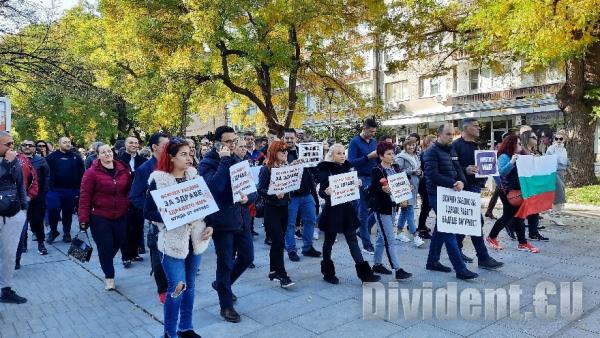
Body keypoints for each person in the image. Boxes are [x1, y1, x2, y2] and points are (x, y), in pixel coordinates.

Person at [145, 138, 213, 338]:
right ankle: (169, 333)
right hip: (172, 243)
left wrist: (210, 225)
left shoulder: (194, 175)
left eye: (190, 153)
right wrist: (171, 217)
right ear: (172, 158)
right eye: (183, 154)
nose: (189, 157)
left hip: (196, 239)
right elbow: (147, 211)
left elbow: (206, 204)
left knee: (190, 286)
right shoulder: (158, 179)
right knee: (177, 287)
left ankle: (186, 327)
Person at [198, 126, 254, 323]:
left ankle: (223, 285)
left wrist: (248, 199)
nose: (232, 145)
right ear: (217, 143)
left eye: (234, 141)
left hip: (241, 218)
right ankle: (226, 307)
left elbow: (251, 188)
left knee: (247, 257)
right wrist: (224, 161)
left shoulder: (239, 159)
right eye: (228, 142)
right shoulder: (207, 163)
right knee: (225, 262)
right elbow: (215, 187)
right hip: (221, 222)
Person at [317, 144, 381, 284]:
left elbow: (351, 184)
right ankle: (328, 272)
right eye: (338, 153)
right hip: (332, 210)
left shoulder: (347, 166)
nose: (342, 156)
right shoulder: (325, 168)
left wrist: (357, 183)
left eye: (343, 153)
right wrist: (326, 192)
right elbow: (322, 191)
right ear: (332, 155)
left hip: (346, 209)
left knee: (352, 240)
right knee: (329, 241)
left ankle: (365, 275)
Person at [423, 123, 478, 280]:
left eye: (452, 134)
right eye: (448, 134)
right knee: (449, 230)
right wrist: (452, 183)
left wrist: (461, 180)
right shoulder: (430, 152)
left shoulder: (451, 149)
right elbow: (432, 174)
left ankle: (432, 261)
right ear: (439, 134)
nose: (451, 137)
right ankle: (460, 268)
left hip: (451, 192)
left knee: (441, 229)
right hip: (436, 194)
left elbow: (458, 168)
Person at [451, 118, 504, 270]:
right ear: (465, 128)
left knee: (469, 222)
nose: (479, 128)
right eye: (475, 126)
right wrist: (465, 169)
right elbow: (450, 167)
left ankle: (457, 249)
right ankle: (483, 257)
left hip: (475, 186)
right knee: (475, 222)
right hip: (464, 188)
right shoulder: (456, 145)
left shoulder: (476, 145)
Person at [78, 144, 131, 290]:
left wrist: (128, 205)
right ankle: (109, 276)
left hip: (121, 214)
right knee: (105, 247)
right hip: (100, 216)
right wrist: (83, 218)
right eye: (103, 152)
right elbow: (84, 196)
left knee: (118, 242)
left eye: (109, 151)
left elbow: (129, 191)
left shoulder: (123, 169)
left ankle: (106, 260)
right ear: (97, 155)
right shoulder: (91, 173)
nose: (107, 154)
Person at [131, 132, 170, 303]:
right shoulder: (145, 169)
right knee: (158, 257)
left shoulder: (173, 164)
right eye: (166, 146)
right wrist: (152, 212)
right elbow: (135, 197)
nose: (170, 149)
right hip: (157, 222)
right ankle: (163, 291)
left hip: (176, 221)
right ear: (155, 147)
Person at [486, 135, 541, 253]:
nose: (520, 146)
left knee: (518, 217)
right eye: (518, 144)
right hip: (508, 191)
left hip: (518, 191)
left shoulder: (520, 155)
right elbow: (501, 172)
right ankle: (492, 237)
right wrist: (512, 162)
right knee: (509, 216)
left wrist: (532, 160)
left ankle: (522, 243)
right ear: (511, 144)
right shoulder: (505, 156)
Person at [368, 142, 413, 280]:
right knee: (390, 239)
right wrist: (382, 190)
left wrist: (407, 187)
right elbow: (372, 190)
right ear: (381, 156)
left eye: (393, 153)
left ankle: (377, 264)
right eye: (388, 154)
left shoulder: (396, 167)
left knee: (382, 237)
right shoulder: (377, 170)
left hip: (393, 206)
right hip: (382, 209)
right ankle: (397, 268)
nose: (392, 156)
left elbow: (402, 181)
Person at [257, 140, 295, 288]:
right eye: (281, 151)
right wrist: (274, 194)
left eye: (286, 151)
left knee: (278, 242)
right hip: (271, 209)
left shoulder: (287, 167)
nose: (285, 154)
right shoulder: (266, 169)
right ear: (274, 152)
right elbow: (260, 190)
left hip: (284, 208)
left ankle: (274, 271)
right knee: (278, 241)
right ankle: (282, 274)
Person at [282, 128, 321, 262]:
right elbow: (277, 171)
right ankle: (291, 249)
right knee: (290, 224)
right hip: (290, 196)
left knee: (311, 219)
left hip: (306, 193)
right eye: (287, 138)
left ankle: (307, 247)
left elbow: (314, 167)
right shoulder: (280, 152)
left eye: (291, 138)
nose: (289, 140)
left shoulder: (303, 151)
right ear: (283, 138)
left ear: (296, 138)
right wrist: (290, 165)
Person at [0, 131, 28, 304]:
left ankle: (6, 289)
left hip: (13, 213)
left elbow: (20, 185)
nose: (12, 147)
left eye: (12, 143)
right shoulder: (9, 161)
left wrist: (24, 207)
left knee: (9, 254)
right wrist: (6, 164)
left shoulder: (15, 161)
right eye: (7, 144)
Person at [45, 137, 85, 244]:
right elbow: (44, 172)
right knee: (53, 209)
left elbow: (83, 173)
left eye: (69, 142)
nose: (67, 144)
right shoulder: (51, 157)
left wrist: (80, 189)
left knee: (68, 212)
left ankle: (67, 232)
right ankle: (53, 231)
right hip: (54, 190)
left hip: (71, 190)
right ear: (59, 144)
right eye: (65, 142)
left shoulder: (76, 157)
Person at [347, 118, 378, 254]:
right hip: (361, 178)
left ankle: (362, 231)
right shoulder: (354, 142)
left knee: (378, 206)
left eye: (374, 132)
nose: (372, 134)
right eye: (370, 131)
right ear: (364, 128)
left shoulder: (374, 142)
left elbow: (376, 159)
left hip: (374, 177)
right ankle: (366, 243)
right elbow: (351, 162)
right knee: (363, 212)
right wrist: (368, 157)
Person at [117, 136, 147, 266]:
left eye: (136, 143)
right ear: (125, 144)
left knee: (138, 227)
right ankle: (126, 256)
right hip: (124, 198)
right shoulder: (118, 160)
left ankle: (134, 253)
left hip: (139, 198)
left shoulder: (143, 160)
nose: (134, 145)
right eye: (131, 143)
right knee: (126, 228)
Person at [19, 140, 50, 255]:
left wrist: (43, 193)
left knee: (37, 220)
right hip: (21, 197)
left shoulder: (41, 160)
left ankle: (41, 244)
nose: (27, 147)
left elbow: (47, 177)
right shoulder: (16, 160)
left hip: (37, 196)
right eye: (24, 145)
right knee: (22, 222)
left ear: (34, 148)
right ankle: (23, 244)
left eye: (30, 145)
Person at [394, 138, 425, 248]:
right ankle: (415, 236)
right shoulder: (401, 157)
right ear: (405, 146)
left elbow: (419, 171)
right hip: (405, 188)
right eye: (409, 145)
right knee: (409, 211)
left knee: (405, 210)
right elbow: (396, 172)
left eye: (413, 145)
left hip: (414, 187)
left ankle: (399, 233)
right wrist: (411, 171)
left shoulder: (416, 156)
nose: (411, 147)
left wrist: (420, 173)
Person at [519, 129, 548, 241]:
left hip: (535, 183)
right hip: (526, 184)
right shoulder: (522, 151)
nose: (536, 139)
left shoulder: (534, 151)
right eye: (534, 138)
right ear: (527, 139)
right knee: (522, 211)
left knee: (535, 209)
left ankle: (533, 232)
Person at [545, 130, 568, 226]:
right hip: (554, 172)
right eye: (556, 138)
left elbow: (565, 161)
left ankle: (553, 213)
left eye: (561, 138)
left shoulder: (564, 149)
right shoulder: (551, 148)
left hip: (562, 172)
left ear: (564, 139)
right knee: (560, 192)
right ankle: (555, 215)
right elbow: (547, 159)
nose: (558, 140)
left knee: (559, 192)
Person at [417, 135, 436, 239]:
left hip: (428, 183)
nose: (436, 143)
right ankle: (421, 228)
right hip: (424, 183)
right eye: (433, 142)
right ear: (428, 143)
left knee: (426, 206)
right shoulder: (425, 154)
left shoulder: (430, 153)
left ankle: (422, 225)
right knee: (426, 205)